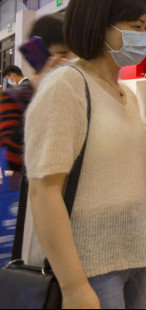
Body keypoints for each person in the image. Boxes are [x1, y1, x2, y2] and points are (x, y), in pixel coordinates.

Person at [24, 0, 146, 309]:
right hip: (91, 267)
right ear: (100, 25)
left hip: (136, 258)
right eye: (135, 26)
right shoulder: (66, 86)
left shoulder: (126, 94)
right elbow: (44, 191)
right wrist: (74, 285)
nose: (143, 38)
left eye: (144, 28)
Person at [0, 14, 74, 260]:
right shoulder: (13, 99)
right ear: (39, 54)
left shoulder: (74, 95)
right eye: (61, 54)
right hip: (24, 214)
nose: (67, 62)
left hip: (69, 211)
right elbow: (12, 159)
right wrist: (42, 90)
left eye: (70, 55)